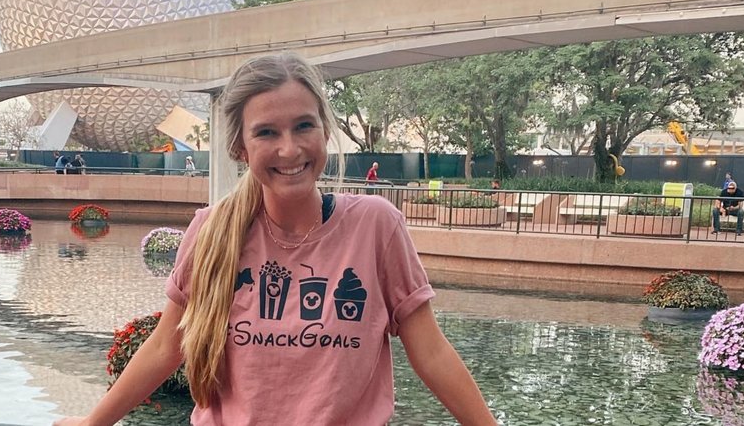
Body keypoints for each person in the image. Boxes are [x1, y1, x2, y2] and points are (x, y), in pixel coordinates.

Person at [54, 54, 497, 426]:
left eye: (304, 126)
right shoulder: (212, 231)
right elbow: (167, 346)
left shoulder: (375, 227)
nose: (289, 149)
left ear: (325, 130)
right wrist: (93, 423)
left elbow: (432, 352)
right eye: (267, 132)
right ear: (240, 148)